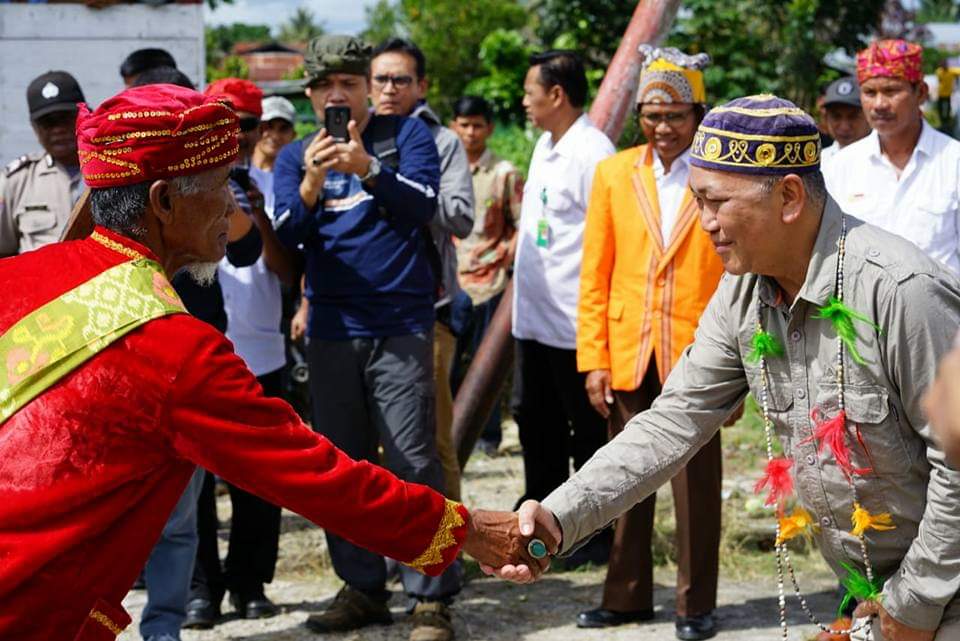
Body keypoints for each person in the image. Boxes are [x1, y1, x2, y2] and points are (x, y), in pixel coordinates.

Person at [0, 82, 550, 641]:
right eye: (221, 188)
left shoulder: (13, 279)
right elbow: (317, 477)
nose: (232, 210)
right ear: (164, 202)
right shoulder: (176, 350)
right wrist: (468, 530)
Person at [496, 94, 960, 641]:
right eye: (697, 202)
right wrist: (557, 517)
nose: (705, 224)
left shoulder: (901, 292)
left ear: (788, 196)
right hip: (878, 594)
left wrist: (913, 605)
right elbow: (672, 422)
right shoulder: (743, 293)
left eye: (716, 203)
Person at [272, 35, 463, 641]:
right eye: (326, 87)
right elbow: (286, 236)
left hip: (401, 325)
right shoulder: (294, 156)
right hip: (331, 329)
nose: (339, 96)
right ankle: (362, 587)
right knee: (343, 464)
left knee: (411, 460)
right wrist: (308, 187)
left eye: (350, 85)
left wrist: (371, 170)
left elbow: (426, 208)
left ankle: (430, 596)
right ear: (309, 96)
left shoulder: (406, 136)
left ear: (366, 89)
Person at [574, 46, 724, 641]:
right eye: (652, 115)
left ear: (698, 116)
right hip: (629, 351)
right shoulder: (614, 173)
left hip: (700, 355)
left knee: (698, 489)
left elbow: (736, 274)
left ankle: (696, 605)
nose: (663, 128)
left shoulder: (719, 175)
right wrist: (594, 360)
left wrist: (740, 365)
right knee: (623, 479)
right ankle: (627, 596)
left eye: (676, 116)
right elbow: (595, 271)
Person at [185, 80, 300, 627]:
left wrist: (256, 216)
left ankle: (250, 582)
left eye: (246, 126)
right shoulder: (184, 186)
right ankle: (201, 587)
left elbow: (288, 272)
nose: (235, 138)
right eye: (224, 126)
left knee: (261, 477)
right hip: (200, 349)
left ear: (259, 132)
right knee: (197, 482)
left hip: (262, 350)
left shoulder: (277, 183)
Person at [369, 37, 475, 501]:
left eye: (401, 79)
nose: (390, 88)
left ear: (422, 85)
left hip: (425, 310)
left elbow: (461, 215)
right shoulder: (353, 136)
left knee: (430, 439)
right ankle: (393, 550)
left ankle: (447, 555)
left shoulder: (441, 141)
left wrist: (392, 186)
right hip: (362, 309)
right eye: (381, 79)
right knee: (373, 445)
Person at [511, 50, 615, 514]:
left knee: (587, 431)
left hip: (575, 325)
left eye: (530, 92)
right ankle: (543, 509)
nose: (523, 102)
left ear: (557, 94)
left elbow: (607, 242)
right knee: (535, 420)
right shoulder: (545, 145)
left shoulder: (593, 154)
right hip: (533, 319)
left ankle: (590, 525)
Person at [824, 40, 960, 275]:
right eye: (869, 92)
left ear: (921, 93)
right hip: (860, 309)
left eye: (891, 91)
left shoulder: (953, 162)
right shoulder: (841, 166)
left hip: (939, 309)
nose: (879, 104)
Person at [448, 95, 524, 454]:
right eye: (464, 125)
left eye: (478, 125)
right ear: (453, 127)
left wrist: (505, 255)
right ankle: (447, 435)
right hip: (452, 281)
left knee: (485, 362)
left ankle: (487, 438)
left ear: (489, 128)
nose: (471, 132)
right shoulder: (444, 169)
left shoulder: (504, 172)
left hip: (490, 280)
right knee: (445, 364)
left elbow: (520, 223)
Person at [0, 70, 86, 256]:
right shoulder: (16, 180)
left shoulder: (114, 171)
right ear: (34, 127)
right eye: (47, 122)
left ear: (85, 115)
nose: (58, 130)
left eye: (65, 118)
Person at [820, 76, 870, 165]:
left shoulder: (885, 161)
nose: (844, 126)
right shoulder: (820, 161)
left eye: (853, 117)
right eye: (836, 117)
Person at [935, 59, 960, 129]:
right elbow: (939, 80)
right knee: (940, 108)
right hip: (941, 93)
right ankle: (942, 120)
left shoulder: (951, 71)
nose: (943, 66)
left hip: (948, 93)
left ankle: (947, 120)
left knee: (948, 107)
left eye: (944, 64)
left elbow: (958, 72)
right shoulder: (938, 71)